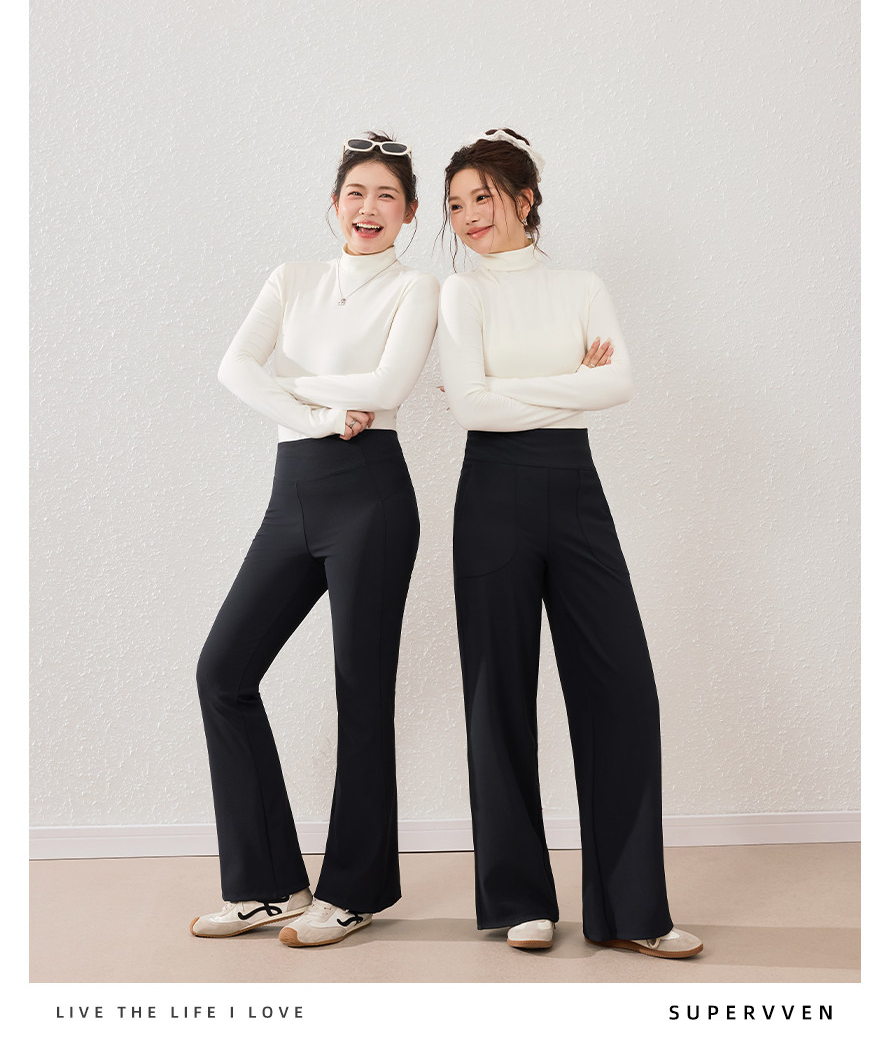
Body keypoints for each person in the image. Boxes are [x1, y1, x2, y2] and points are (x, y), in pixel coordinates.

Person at [436, 128, 702, 958]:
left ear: (524, 198)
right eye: (455, 205)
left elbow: (617, 384)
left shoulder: (582, 285)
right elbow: (470, 409)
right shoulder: (460, 294)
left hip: (576, 491)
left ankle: (634, 911)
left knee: (623, 694)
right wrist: (570, 384)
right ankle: (520, 900)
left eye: (482, 197)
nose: (469, 216)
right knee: (498, 698)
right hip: (491, 498)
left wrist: (510, 387)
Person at [192, 134, 438, 947]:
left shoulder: (415, 288)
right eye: (355, 193)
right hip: (292, 495)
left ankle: (355, 891)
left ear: (409, 213)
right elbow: (232, 368)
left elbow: (391, 386)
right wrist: (322, 414)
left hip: (372, 499)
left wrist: (290, 387)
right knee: (223, 673)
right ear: (334, 204)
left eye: (387, 196)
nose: (369, 209)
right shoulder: (291, 279)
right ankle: (268, 885)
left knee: (361, 693)